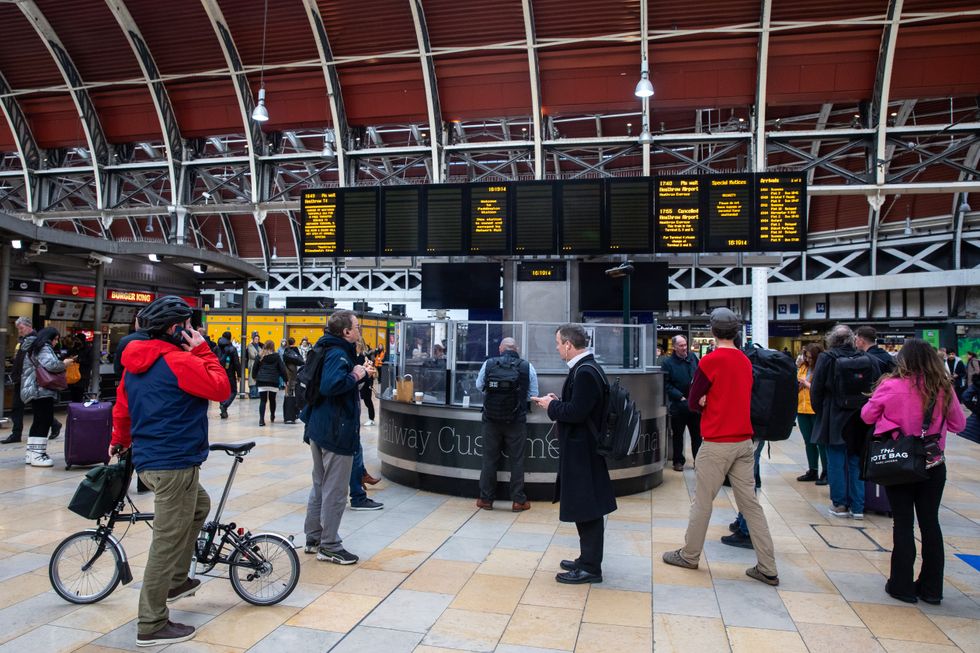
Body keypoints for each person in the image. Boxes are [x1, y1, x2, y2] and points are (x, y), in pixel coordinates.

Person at [108, 296, 230, 646]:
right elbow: (221, 389)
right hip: (175, 464)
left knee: (199, 507)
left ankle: (177, 580)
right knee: (167, 540)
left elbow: (122, 408)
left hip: (150, 463)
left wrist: (118, 440)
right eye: (189, 327)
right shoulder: (179, 361)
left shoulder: (133, 365)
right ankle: (151, 622)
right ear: (177, 329)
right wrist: (204, 351)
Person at [662, 308, 779, 585]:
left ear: (713, 331)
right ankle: (768, 567)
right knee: (750, 505)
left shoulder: (709, 362)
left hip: (716, 442)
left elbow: (692, 401)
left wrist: (704, 402)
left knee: (702, 502)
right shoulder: (745, 360)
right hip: (744, 442)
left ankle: (689, 555)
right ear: (737, 332)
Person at [860, 338, 966, 605]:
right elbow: (958, 424)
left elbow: (866, 416)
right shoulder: (943, 388)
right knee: (931, 524)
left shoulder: (890, 385)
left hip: (900, 463)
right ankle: (932, 589)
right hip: (933, 464)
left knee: (903, 523)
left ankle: (902, 585)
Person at [532, 324, 615, 584]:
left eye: (558, 343)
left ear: (568, 344)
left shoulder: (585, 372)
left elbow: (577, 413)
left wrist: (552, 405)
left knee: (587, 506)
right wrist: (559, 402)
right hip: (584, 448)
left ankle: (590, 567)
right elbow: (582, 407)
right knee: (584, 504)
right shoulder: (586, 368)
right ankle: (586, 558)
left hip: (583, 450)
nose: (557, 348)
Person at [302, 310, 373, 565]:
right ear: (346, 332)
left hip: (318, 425)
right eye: (356, 325)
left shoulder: (326, 348)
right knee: (335, 490)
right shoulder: (338, 353)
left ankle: (313, 538)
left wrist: (358, 376)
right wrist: (357, 374)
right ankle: (330, 545)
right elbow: (331, 385)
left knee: (320, 484)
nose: (359, 328)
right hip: (334, 429)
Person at [810, 325, 881, 519]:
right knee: (856, 460)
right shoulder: (868, 359)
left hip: (834, 416)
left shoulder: (827, 358)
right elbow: (877, 388)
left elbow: (816, 390)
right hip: (860, 417)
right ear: (852, 339)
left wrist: (821, 412)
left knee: (835, 460)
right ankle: (858, 506)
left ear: (832, 339)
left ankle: (840, 504)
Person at [475, 337, 539, 512]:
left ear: (500, 349)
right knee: (517, 461)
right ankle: (518, 501)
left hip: (491, 420)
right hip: (516, 421)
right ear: (516, 349)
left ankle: (485, 499)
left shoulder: (489, 364)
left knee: (489, 460)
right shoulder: (527, 367)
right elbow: (532, 395)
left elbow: (479, 386)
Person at [3, 317, 63, 444]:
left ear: (29, 326)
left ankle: (49, 428)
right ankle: (17, 433)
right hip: (22, 378)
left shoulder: (38, 341)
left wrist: (63, 364)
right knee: (19, 408)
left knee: (39, 414)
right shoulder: (25, 341)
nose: (19, 331)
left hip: (32, 381)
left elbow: (50, 364)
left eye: (21, 328)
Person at [20, 327, 72, 467]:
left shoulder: (34, 347)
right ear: (50, 338)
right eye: (56, 339)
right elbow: (52, 365)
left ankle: (31, 453)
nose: (56, 342)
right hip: (41, 389)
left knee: (38, 420)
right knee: (45, 420)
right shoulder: (44, 347)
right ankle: (39, 455)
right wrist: (64, 364)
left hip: (33, 389)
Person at [662, 335, 701, 471]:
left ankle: (699, 460)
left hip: (695, 404)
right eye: (681, 345)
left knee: (697, 435)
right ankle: (678, 461)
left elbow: (699, 376)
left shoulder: (693, 358)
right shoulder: (668, 363)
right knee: (678, 434)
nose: (684, 348)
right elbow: (666, 384)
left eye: (685, 345)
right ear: (674, 347)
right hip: (678, 405)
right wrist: (680, 397)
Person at [796, 343, 828, 484]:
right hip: (801, 409)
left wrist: (807, 384)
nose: (808, 359)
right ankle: (812, 470)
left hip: (816, 409)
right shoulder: (802, 367)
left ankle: (826, 472)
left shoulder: (822, 369)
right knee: (808, 441)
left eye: (810, 357)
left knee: (820, 442)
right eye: (806, 356)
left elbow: (822, 388)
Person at [252, 340, 286, 426]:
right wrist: (286, 379)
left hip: (262, 380)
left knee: (263, 401)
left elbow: (255, 367)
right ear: (273, 347)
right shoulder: (276, 356)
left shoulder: (260, 356)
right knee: (272, 400)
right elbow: (282, 369)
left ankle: (261, 420)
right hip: (273, 381)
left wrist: (254, 377)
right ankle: (272, 416)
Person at [214, 331, 241, 419]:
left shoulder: (216, 348)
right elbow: (237, 363)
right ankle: (225, 405)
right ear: (230, 338)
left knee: (221, 390)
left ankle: (223, 409)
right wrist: (239, 374)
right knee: (233, 391)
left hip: (218, 372)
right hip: (229, 373)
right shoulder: (232, 349)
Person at [244, 333, 262, 399]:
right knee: (252, 379)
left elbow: (262, 355)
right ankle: (252, 394)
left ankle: (257, 394)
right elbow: (252, 355)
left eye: (258, 339)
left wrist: (258, 355)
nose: (257, 340)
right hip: (252, 364)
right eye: (256, 339)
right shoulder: (250, 346)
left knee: (257, 379)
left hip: (258, 365)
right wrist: (259, 355)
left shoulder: (259, 347)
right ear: (253, 339)